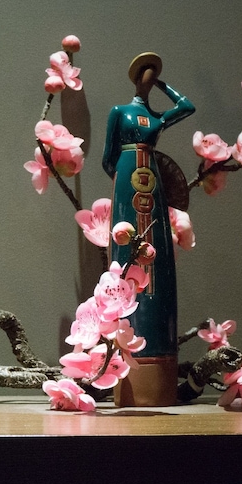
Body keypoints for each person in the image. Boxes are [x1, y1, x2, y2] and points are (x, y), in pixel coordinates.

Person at [102, 53, 194, 406]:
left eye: (152, 75)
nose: (148, 78)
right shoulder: (119, 112)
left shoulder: (157, 117)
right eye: (145, 73)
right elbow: (107, 157)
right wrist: (124, 180)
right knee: (125, 253)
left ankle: (159, 363)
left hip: (151, 181)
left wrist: (163, 85)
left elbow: (187, 107)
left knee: (159, 263)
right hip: (128, 178)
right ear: (135, 77)